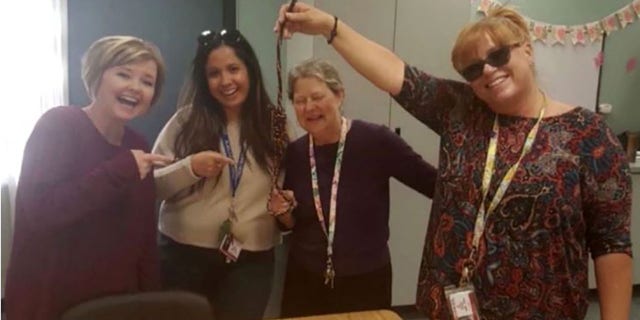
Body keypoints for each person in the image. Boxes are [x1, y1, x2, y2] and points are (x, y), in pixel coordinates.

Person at [275, 3, 633, 320]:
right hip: (447, 307)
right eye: (473, 69)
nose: (487, 72)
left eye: (497, 57)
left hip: (541, 310)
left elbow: (612, 245)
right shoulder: (461, 110)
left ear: (526, 48)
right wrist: (329, 27)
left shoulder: (587, 134)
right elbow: (394, 71)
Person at [4, 35, 172, 320]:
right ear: (97, 76)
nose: (135, 87)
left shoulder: (139, 146)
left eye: (147, 81)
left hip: (116, 303)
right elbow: (43, 212)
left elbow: (143, 239)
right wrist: (121, 170)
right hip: (51, 302)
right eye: (123, 74)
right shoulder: (59, 125)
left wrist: (148, 302)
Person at [267, 58, 437, 317]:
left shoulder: (376, 140)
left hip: (365, 279)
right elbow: (290, 223)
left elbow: (433, 184)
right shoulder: (296, 153)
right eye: (300, 101)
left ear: (339, 95)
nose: (309, 107)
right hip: (305, 278)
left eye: (317, 96)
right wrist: (282, 212)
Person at [152, 29, 290, 320]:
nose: (226, 81)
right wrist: (190, 167)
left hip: (251, 259)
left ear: (249, 70)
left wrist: (287, 208)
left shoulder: (275, 124)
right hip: (182, 255)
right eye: (214, 73)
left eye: (233, 69)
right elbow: (153, 188)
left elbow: (290, 192)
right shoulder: (184, 121)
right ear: (205, 80)